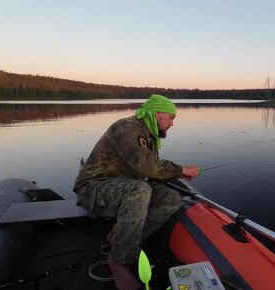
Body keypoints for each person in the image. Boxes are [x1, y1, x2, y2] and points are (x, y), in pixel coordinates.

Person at [73, 94, 200, 290]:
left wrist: (177, 175)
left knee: (170, 197)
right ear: (158, 114)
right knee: (140, 190)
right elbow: (147, 165)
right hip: (92, 188)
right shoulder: (126, 129)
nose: (173, 123)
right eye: (171, 117)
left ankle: (122, 238)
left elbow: (151, 170)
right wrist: (181, 169)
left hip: (120, 186)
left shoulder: (148, 136)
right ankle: (118, 262)